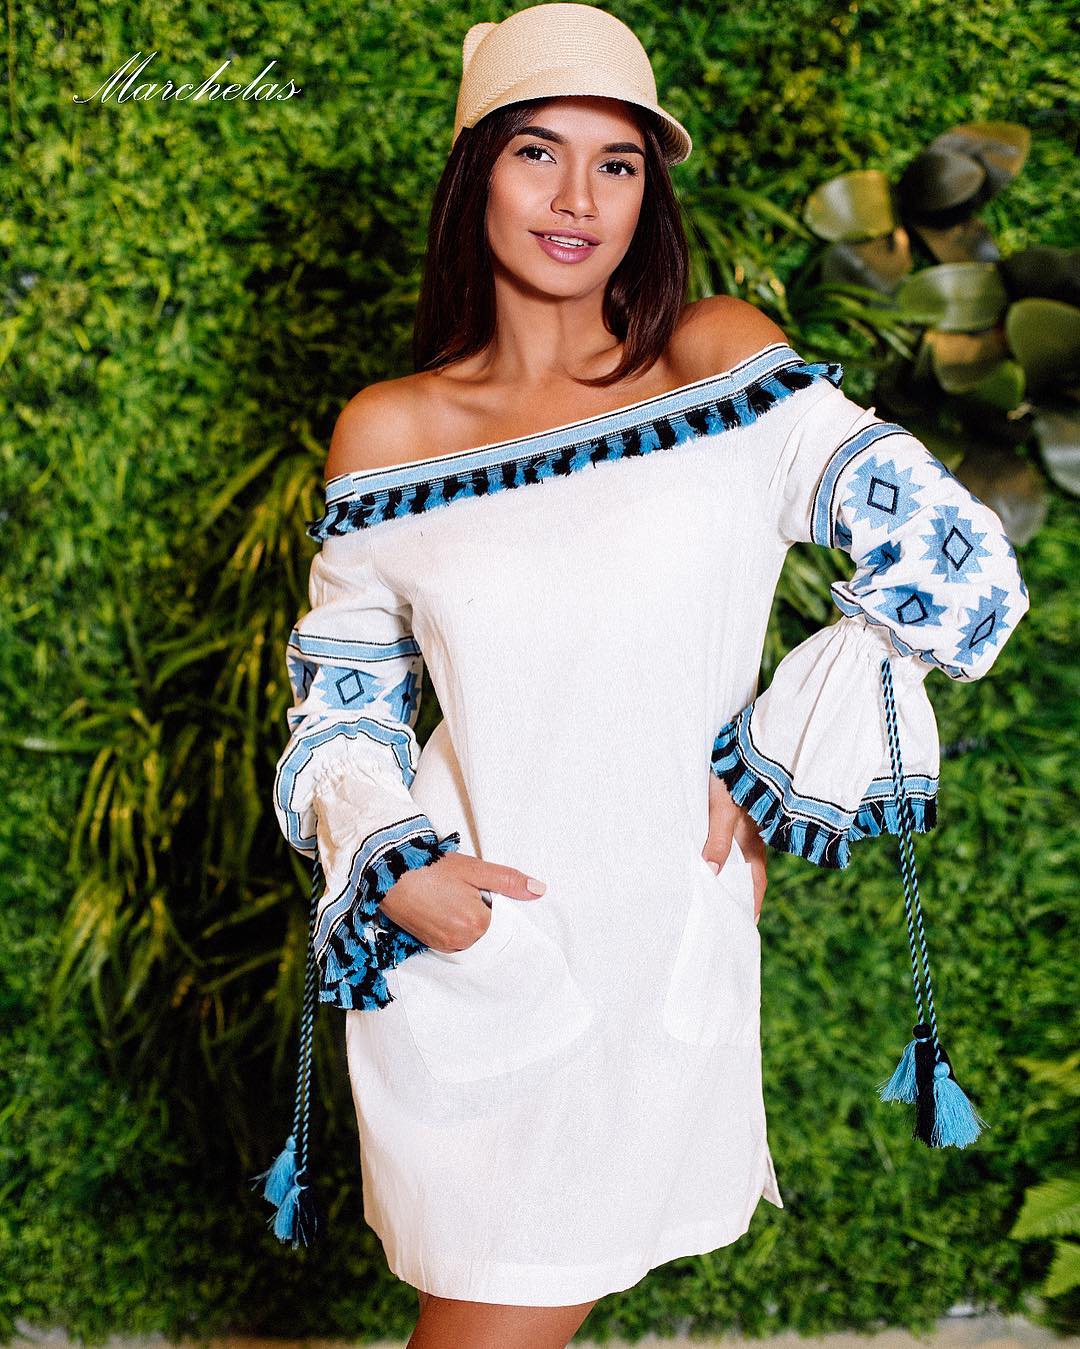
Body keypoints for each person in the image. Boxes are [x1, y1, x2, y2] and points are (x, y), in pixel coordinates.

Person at [256, 5, 1030, 1346]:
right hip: (473, 943)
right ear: (475, 174)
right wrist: (396, 868)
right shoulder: (391, 431)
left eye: (616, 163)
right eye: (537, 153)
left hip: (663, 935)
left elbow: (954, 560)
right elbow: (343, 710)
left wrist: (785, 755)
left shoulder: (714, 360)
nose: (577, 199)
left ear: (646, 193)